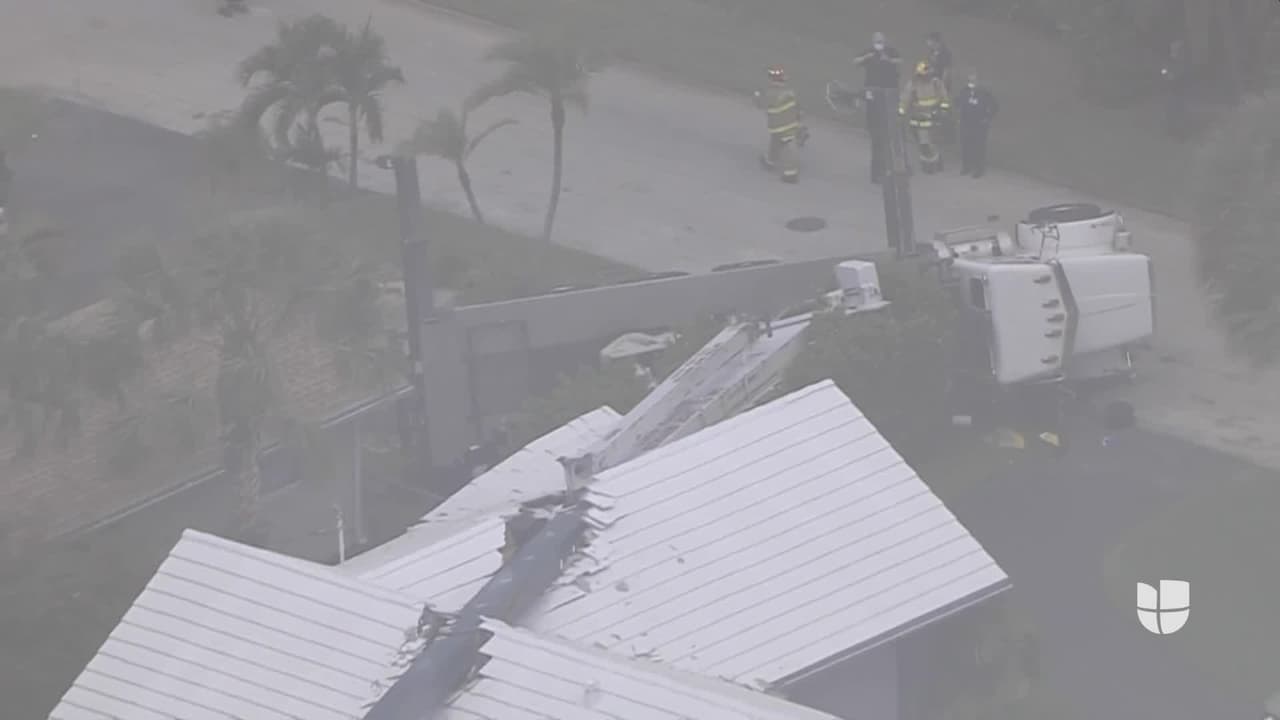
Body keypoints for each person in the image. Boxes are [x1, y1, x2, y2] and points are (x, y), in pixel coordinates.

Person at [855, 31, 903, 183]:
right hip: (873, 94)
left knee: (888, 139)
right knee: (877, 140)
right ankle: (876, 173)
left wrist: (888, 60)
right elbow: (855, 62)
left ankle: (891, 168)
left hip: (887, 95)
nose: (879, 44)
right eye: (876, 41)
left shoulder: (890, 52)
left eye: (881, 41)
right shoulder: (869, 53)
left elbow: (900, 61)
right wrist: (866, 57)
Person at [753, 66, 804, 183]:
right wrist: (800, 123)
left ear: (772, 79)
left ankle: (790, 175)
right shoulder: (790, 92)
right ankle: (770, 161)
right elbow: (798, 108)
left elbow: (759, 103)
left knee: (787, 149)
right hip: (790, 124)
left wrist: (756, 95)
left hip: (779, 126)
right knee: (775, 142)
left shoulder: (771, 93)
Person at [900, 61, 950, 173]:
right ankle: (931, 162)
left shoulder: (936, 83)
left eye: (925, 75)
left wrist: (943, 110)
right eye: (921, 75)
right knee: (922, 144)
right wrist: (901, 112)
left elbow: (944, 98)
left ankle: (932, 164)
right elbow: (905, 99)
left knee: (926, 143)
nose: (924, 77)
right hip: (916, 119)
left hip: (932, 118)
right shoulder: (913, 84)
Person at [956, 72, 998, 177]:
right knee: (966, 145)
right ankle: (966, 167)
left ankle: (979, 169)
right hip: (966, 124)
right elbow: (958, 102)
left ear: (978, 81)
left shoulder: (984, 93)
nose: (971, 83)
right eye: (969, 81)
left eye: (973, 81)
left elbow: (994, 106)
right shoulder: (964, 91)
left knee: (979, 147)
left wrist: (987, 118)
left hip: (979, 125)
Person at [1160, 39, 1191, 138]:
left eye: (1179, 49)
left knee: (1180, 111)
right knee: (1169, 110)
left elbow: (1185, 74)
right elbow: (1163, 71)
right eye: (1174, 48)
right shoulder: (1168, 60)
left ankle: (1180, 132)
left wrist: (1177, 76)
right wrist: (1167, 74)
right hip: (1170, 90)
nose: (1176, 51)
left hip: (1180, 90)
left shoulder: (1183, 61)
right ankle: (1169, 131)